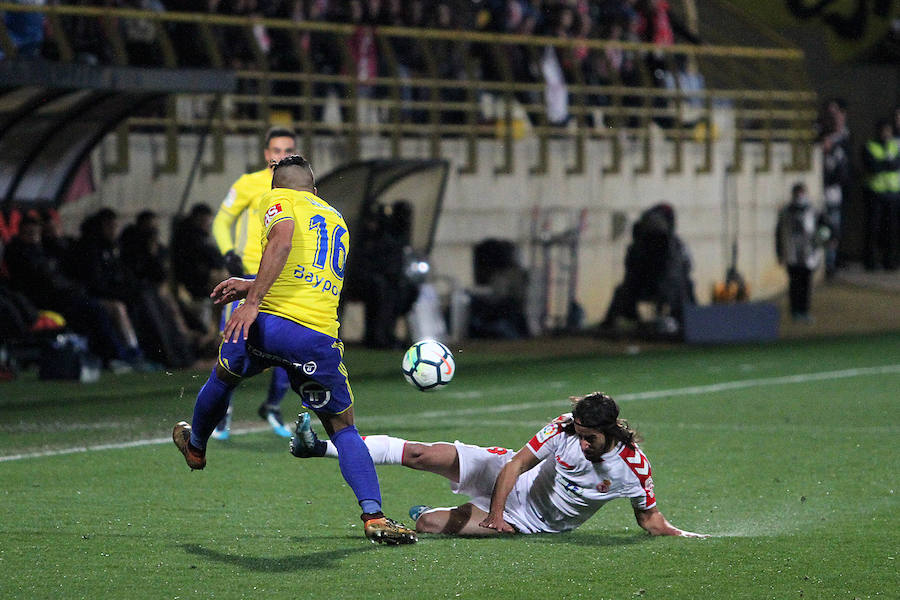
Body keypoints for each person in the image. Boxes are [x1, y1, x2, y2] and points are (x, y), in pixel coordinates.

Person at [172, 155, 417, 545]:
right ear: (314, 190)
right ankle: (374, 515)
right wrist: (251, 284)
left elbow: (282, 242)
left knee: (224, 376)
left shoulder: (278, 201)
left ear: (277, 188)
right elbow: (304, 274)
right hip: (317, 339)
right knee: (343, 428)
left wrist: (251, 302)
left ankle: (197, 448)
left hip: (267, 325)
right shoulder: (335, 218)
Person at [291, 391, 708, 538]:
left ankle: (427, 511)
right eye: (578, 432)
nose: (581, 442)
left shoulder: (632, 468)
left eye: (589, 437)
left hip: (532, 521)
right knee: (422, 454)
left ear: (610, 432)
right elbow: (518, 463)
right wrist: (494, 513)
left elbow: (650, 520)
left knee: (428, 525)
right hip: (509, 480)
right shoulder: (564, 427)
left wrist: (687, 534)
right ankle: (320, 448)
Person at [209, 126, 298, 439]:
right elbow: (222, 221)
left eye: (288, 151)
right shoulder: (249, 184)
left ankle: (272, 406)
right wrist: (228, 253)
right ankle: (222, 412)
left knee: (288, 349)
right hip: (247, 277)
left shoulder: (302, 189)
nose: (281, 156)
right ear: (266, 154)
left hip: (282, 282)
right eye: (276, 151)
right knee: (233, 344)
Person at [776, 182, 830, 323]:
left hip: (808, 254)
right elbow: (778, 234)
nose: (800, 196)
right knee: (795, 284)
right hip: (792, 253)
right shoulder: (786, 212)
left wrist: (823, 240)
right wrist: (780, 253)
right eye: (798, 193)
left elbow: (825, 228)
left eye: (802, 192)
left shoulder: (813, 210)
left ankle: (804, 311)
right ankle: (795, 311)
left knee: (805, 284)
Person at [861, 118, 900, 271]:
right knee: (873, 228)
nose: (886, 134)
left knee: (891, 230)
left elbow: (896, 165)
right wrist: (887, 164)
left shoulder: (894, 146)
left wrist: (884, 164)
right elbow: (872, 167)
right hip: (875, 193)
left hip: (893, 194)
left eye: (888, 131)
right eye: (884, 131)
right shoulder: (869, 146)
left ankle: (889, 261)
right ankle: (870, 261)